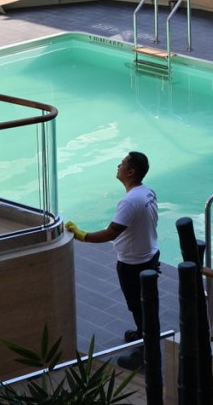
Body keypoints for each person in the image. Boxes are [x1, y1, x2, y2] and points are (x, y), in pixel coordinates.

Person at [65, 151, 159, 370]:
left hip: (134, 263)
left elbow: (111, 233)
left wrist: (82, 235)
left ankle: (146, 354)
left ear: (131, 171)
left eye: (122, 163)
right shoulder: (147, 192)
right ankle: (142, 332)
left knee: (138, 305)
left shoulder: (129, 201)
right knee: (144, 302)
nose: (118, 165)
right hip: (150, 254)